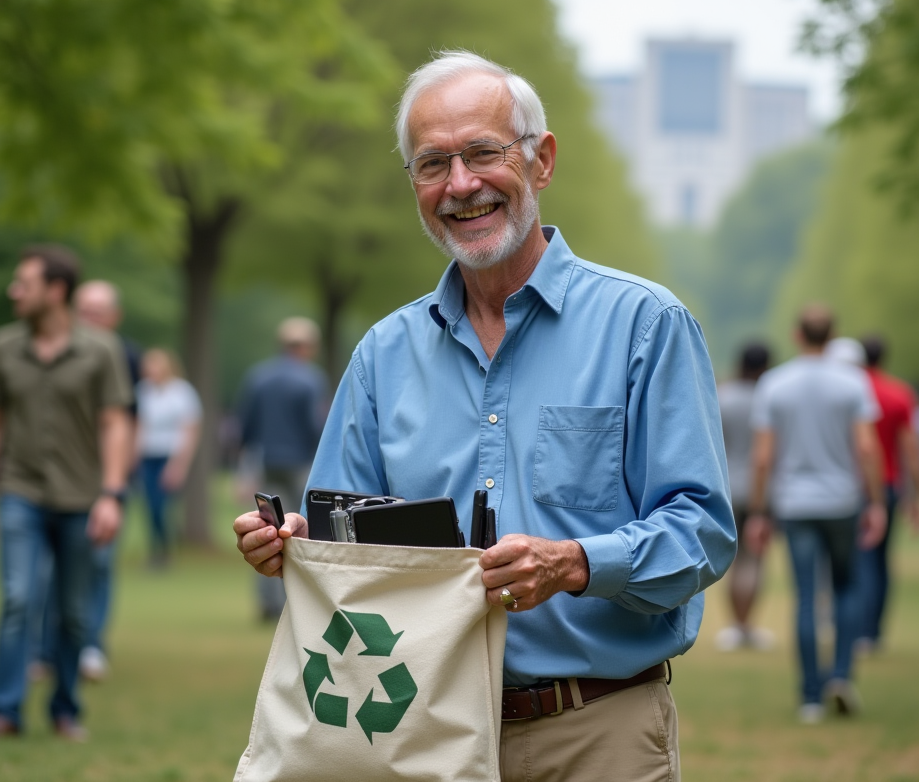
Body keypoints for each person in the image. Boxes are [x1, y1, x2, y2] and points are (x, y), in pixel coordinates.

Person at [234, 50, 735, 780]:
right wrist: (293, 544)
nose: (460, 185)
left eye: (482, 153)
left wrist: (573, 563)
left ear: (541, 161)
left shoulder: (646, 326)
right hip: (415, 735)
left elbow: (703, 530)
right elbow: (343, 536)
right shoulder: (383, 354)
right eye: (433, 164)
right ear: (413, 185)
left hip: (597, 731)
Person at [0, 246, 132, 743]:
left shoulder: (100, 350)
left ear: (56, 291)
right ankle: (4, 712)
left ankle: (65, 709)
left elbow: (115, 423)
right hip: (20, 491)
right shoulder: (2, 347)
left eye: (24, 284)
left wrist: (111, 493)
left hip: (82, 497)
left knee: (74, 611)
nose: (14, 292)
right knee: (18, 598)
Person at [745, 304, 885, 724]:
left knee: (806, 596)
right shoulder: (853, 381)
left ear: (797, 334)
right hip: (842, 501)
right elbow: (866, 446)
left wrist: (758, 510)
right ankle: (840, 674)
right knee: (846, 587)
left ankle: (810, 696)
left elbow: (764, 456)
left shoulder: (775, 384)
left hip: (795, 503)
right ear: (832, 333)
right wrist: (876, 501)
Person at [33, 279, 141, 684]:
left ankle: (90, 646)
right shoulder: (55, 349)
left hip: (105, 481)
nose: (91, 317)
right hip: (59, 480)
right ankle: (45, 650)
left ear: (115, 316)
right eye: (85, 309)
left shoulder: (126, 356)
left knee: (98, 565)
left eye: (99, 310)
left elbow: (131, 419)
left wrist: (120, 479)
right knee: (50, 568)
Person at [235, 316, 328, 620]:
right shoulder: (311, 379)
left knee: (268, 530)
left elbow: (246, 424)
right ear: (305, 346)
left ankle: (267, 601)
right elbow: (316, 426)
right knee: (300, 528)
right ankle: (297, 598)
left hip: (268, 460)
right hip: (302, 461)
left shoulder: (259, 376)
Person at [856, 335, 919, 653]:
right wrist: (918, 495)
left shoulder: (851, 390)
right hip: (887, 484)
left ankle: (854, 624)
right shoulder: (899, 394)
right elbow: (911, 450)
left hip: (853, 485)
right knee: (881, 560)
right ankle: (874, 630)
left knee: (858, 560)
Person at [715, 342, 775, 652]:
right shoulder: (770, 398)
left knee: (733, 560)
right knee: (754, 560)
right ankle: (746, 624)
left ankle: (735, 626)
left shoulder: (721, 396)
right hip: (759, 488)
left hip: (725, 486)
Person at [136, 348, 202, 569]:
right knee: (149, 507)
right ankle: (156, 551)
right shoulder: (142, 391)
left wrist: (178, 466)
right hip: (147, 456)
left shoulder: (182, 392)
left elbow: (189, 430)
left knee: (161, 506)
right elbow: (138, 427)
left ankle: (164, 551)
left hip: (169, 456)